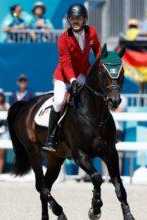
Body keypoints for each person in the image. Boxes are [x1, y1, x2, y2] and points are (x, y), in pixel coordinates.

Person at [42, 3, 101, 152]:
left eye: (78, 18)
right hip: (63, 76)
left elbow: (98, 50)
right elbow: (66, 64)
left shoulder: (92, 32)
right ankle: (51, 137)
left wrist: (101, 65)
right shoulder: (63, 39)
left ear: (85, 19)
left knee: (96, 95)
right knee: (59, 102)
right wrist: (73, 81)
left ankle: (104, 129)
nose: (75, 21)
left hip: (82, 73)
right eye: (72, 19)